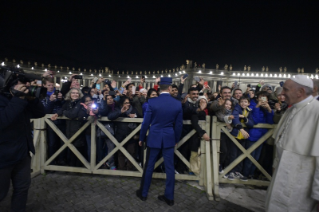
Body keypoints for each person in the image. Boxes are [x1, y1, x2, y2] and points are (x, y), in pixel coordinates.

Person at [265, 75, 319, 212]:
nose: (282, 93)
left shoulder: (316, 111)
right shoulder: (291, 109)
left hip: (301, 181)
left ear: (300, 92)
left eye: (286, 89)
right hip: (281, 174)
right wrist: (275, 165)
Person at [0, 72, 45, 211]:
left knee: (22, 189)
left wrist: (32, 100)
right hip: (3, 157)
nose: (24, 87)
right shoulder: (5, 99)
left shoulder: (21, 99)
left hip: (22, 153)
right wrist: (18, 99)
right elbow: (3, 121)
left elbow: (40, 113)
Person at [136, 77, 183, 206]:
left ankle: (143, 193)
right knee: (169, 167)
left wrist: (141, 138)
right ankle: (169, 197)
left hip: (154, 136)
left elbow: (146, 123)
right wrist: (176, 139)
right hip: (169, 137)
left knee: (149, 165)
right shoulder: (177, 103)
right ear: (169, 88)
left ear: (159, 87)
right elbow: (178, 125)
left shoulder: (152, 102)